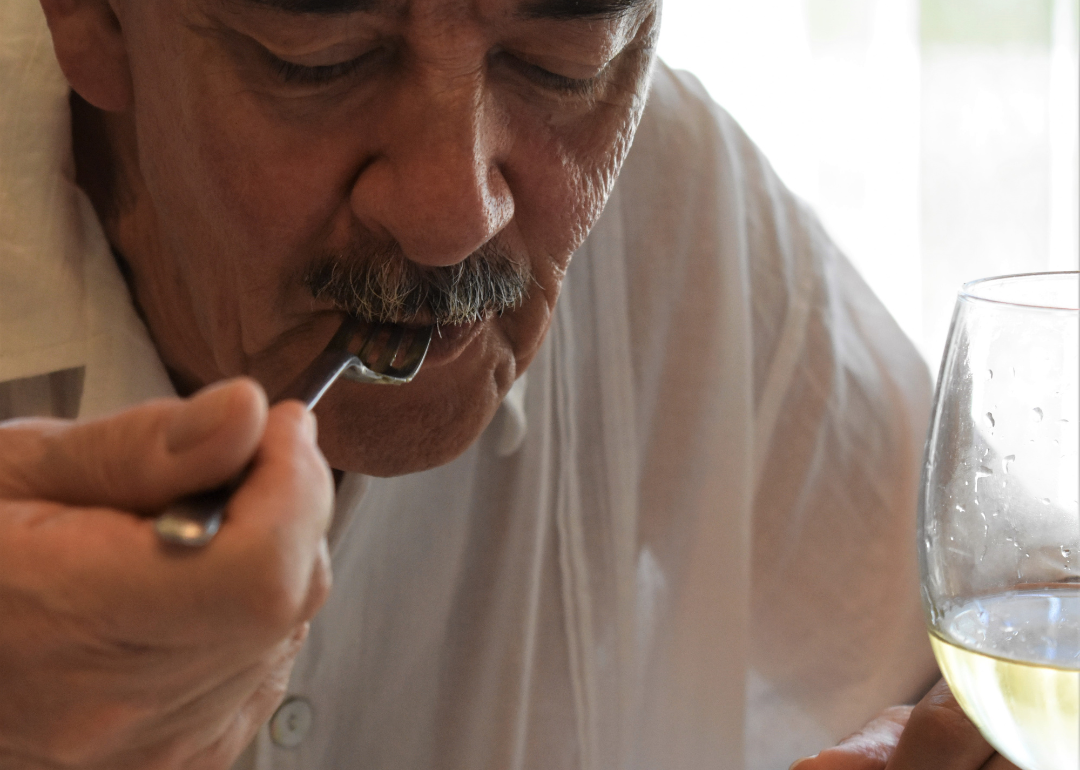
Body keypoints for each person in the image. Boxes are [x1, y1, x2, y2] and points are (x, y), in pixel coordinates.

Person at [0, 0, 1018, 768]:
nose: (455, 211)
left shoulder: (670, 192)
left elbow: (1006, 628)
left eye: (557, 59)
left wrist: (923, 740)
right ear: (91, 20)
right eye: (322, 62)